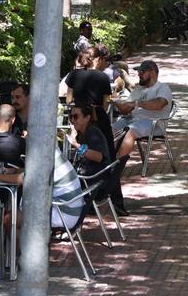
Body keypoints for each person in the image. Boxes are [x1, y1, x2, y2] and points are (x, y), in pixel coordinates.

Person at [109, 60, 173, 214]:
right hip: (132, 119)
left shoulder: (162, 88)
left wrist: (138, 103)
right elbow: (126, 109)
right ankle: (106, 160)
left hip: (153, 123)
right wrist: (116, 101)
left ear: (152, 71)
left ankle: (117, 166)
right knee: (108, 130)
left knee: (131, 131)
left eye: (142, 71)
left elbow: (159, 105)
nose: (139, 74)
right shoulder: (138, 89)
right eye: (138, 72)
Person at [0, 146, 85, 230]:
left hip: (63, 214)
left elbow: (22, 180)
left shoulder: (46, 158)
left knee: (8, 219)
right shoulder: (53, 152)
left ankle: (23, 251)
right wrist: (14, 170)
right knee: (13, 214)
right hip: (69, 210)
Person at [68, 102, 112, 179]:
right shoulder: (81, 132)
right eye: (70, 116)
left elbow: (99, 157)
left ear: (87, 118)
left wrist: (75, 144)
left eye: (75, 117)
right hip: (86, 174)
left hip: (94, 178)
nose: (72, 120)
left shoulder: (92, 132)